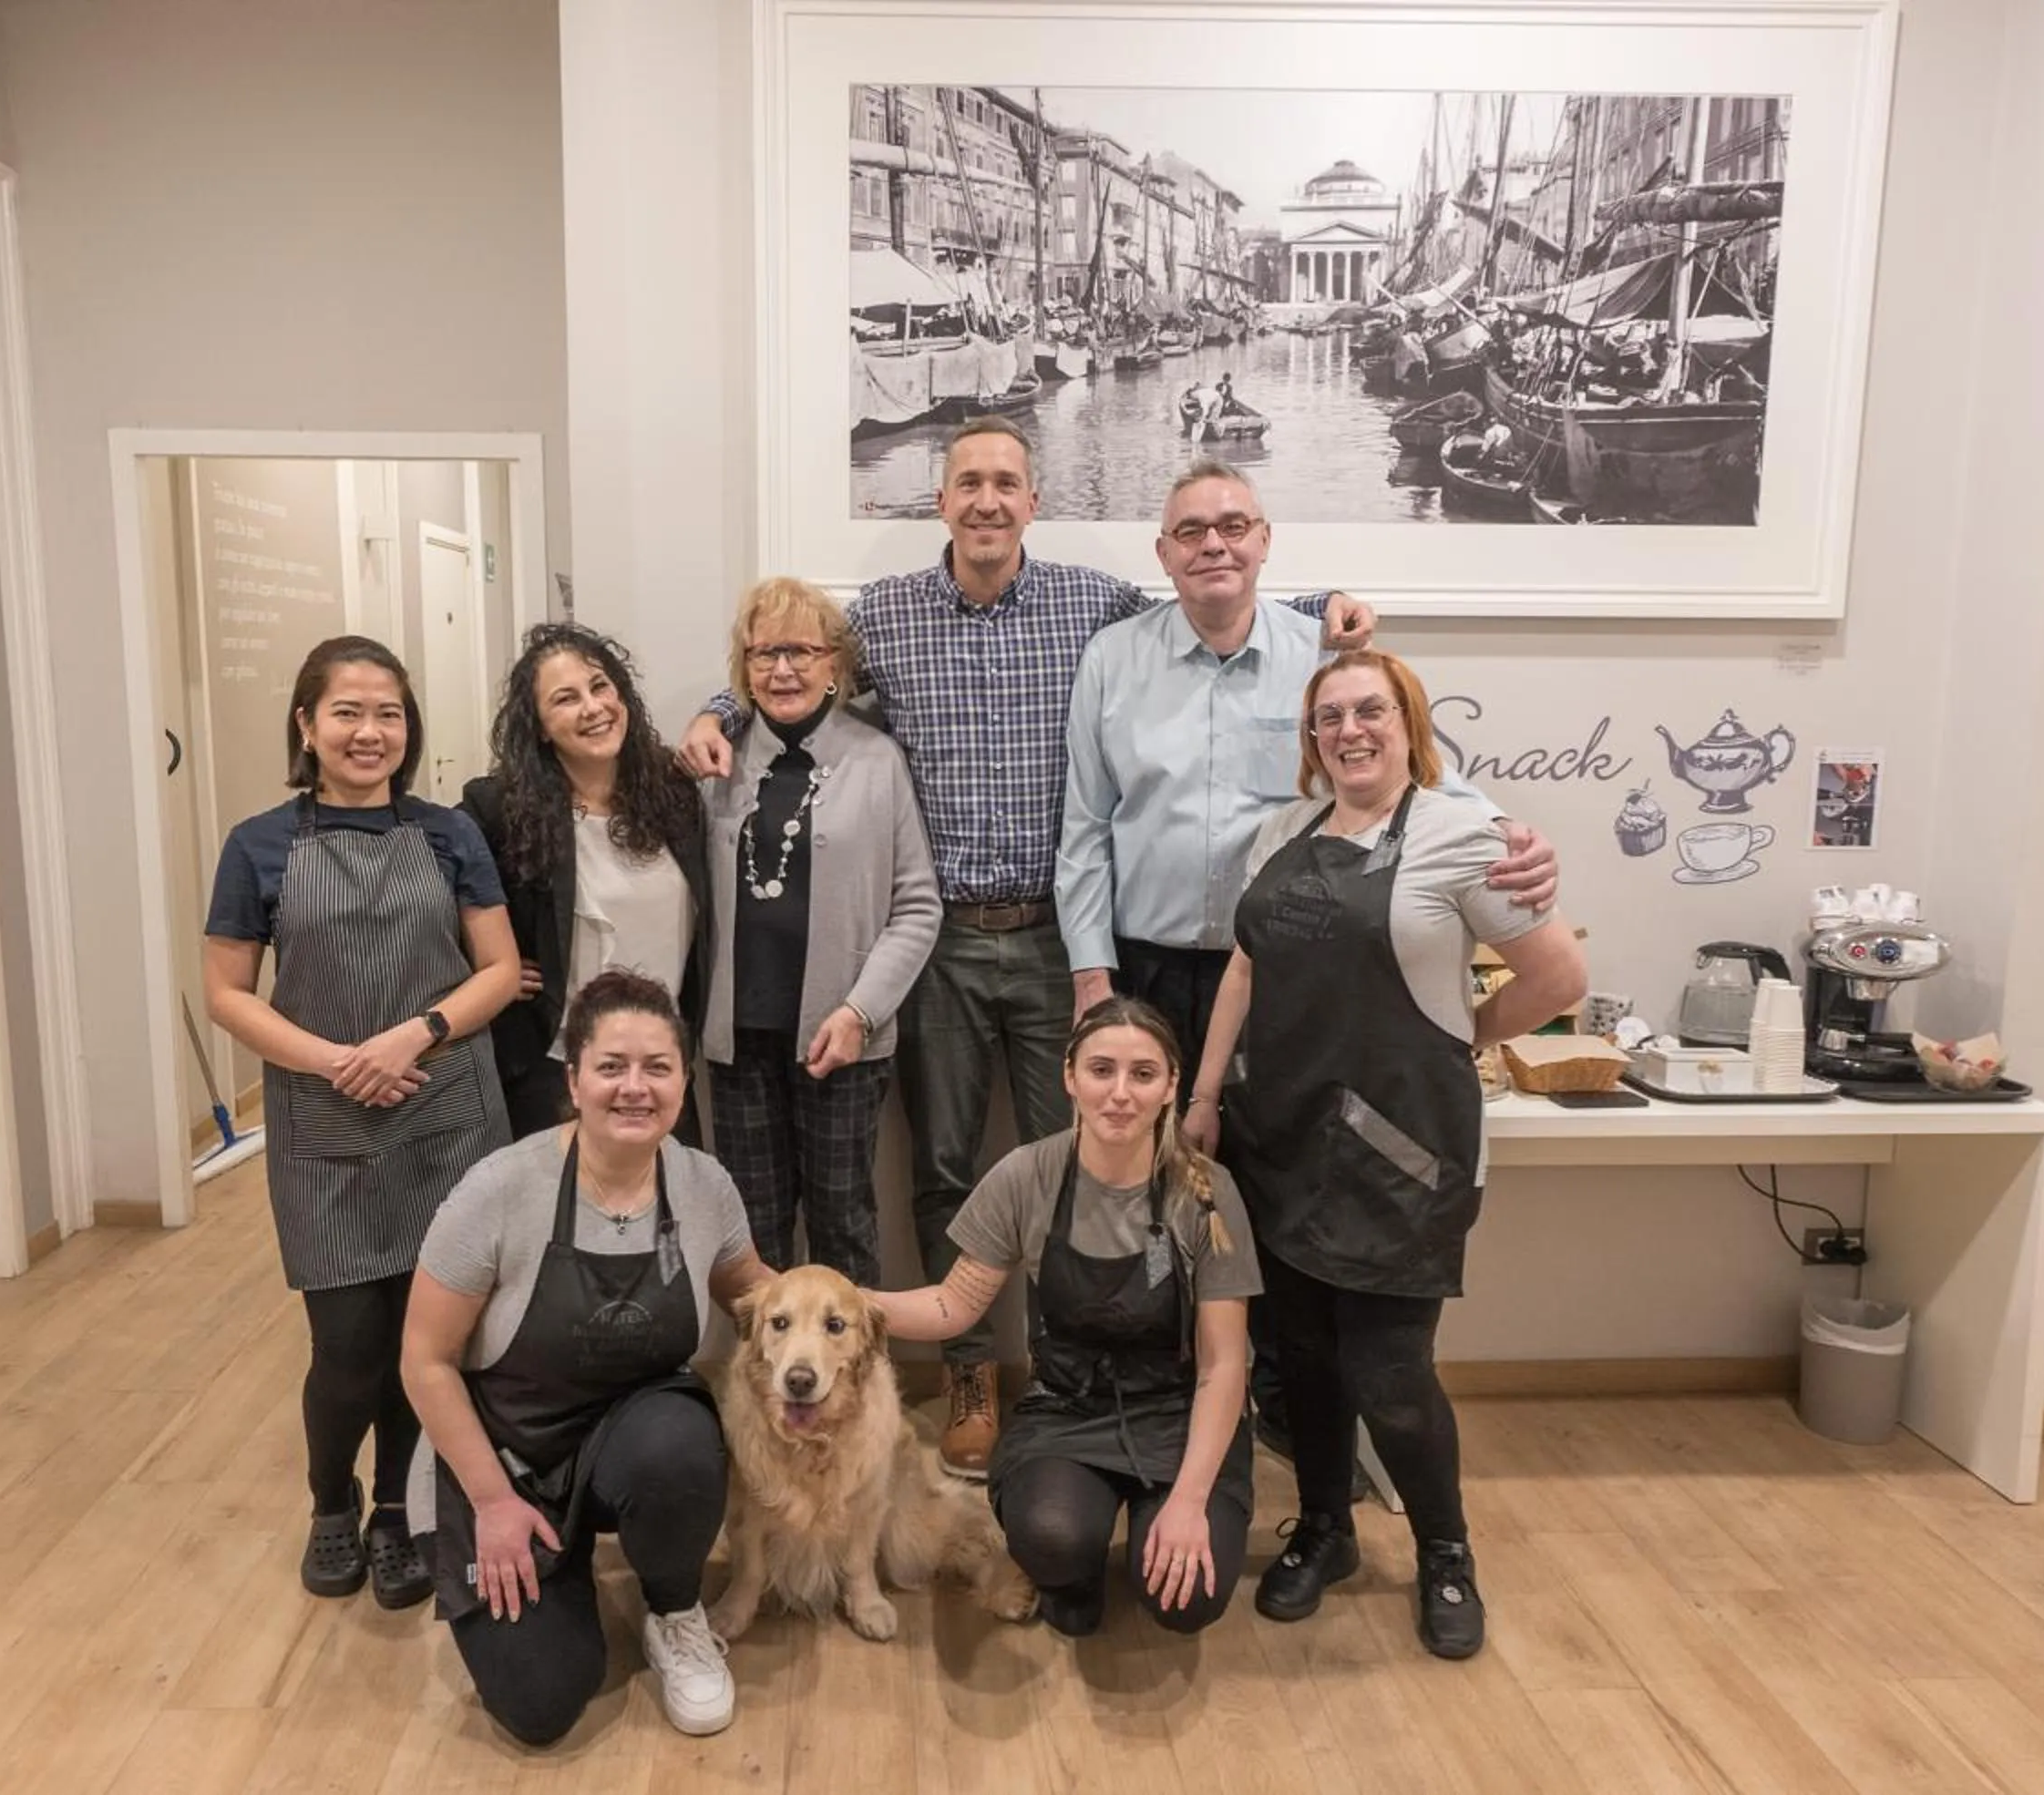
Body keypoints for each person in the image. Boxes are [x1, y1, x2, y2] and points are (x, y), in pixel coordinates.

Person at [675, 415, 1374, 1480]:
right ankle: (967, 1373)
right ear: (941, 501)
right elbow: (792, 669)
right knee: (950, 1169)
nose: (989, 500)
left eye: (1008, 482)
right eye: (969, 483)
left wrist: (1326, 605)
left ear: (1033, 502)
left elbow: (1221, 586)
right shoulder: (891, 619)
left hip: (1060, 939)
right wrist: (721, 703)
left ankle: (1071, 1372)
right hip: (940, 941)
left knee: (1091, 1167)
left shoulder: (1095, 607)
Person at [1058, 463, 1556, 1475]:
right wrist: (1093, 980)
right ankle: (1162, 1391)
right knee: (1146, 1183)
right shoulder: (1112, 658)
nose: (1213, 543)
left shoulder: (1321, 654)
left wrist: (1512, 837)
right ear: (1163, 554)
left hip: (1281, 975)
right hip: (1145, 973)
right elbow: (1085, 831)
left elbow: (1408, 763)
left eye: (1233, 524)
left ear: (1265, 541)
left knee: (1270, 1187)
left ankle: (1283, 1408)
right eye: (1191, 529)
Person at [1185, 650, 1586, 1659]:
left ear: (1409, 721)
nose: (1350, 729)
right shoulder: (1288, 831)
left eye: (1370, 710)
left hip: (1401, 1152)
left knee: (1390, 1370)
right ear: (1311, 740)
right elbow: (1245, 963)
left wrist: (1462, 1036)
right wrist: (1202, 1093)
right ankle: (1326, 1527)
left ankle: (1446, 1549)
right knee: (1307, 1360)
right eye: (1329, 717)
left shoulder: (1465, 832)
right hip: (1280, 1136)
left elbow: (1560, 973)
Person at [203, 635, 520, 1611]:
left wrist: (412, 1037)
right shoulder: (259, 844)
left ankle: (397, 1511)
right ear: (306, 724)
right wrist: (337, 1059)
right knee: (347, 1343)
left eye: (388, 712)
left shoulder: (449, 833)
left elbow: (499, 969)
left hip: (446, 1113)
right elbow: (224, 991)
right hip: (323, 1116)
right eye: (346, 711)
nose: (369, 731)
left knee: (426, 1340)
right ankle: (331, 1500)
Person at [400, 970, 774, 1746]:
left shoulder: (704, 1186)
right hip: (500, 1459)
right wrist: (495, 1503)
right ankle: (554, 1568)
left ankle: (673, 1609)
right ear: (572, 1078)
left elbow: (763, 1296)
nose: (634, 1088)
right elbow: (425, 1361)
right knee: (540, 1705)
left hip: (633, 1443)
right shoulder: (498, 1189)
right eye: (611, 1067)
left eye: (657, 1068)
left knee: (680, 1444)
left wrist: (877, 1314)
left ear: (682, 1080)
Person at [867, 999, 1258, 1640]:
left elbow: (1222, 1368)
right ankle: (1072, 1573)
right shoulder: (1027, 1176)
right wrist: (846, 1301)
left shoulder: (1207, 1192)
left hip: (1178, 1414)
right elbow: (952, 1304)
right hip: (1068, 1410)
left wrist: (1188, 1503)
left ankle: (1159, 1518)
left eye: (1143, 1074)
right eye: (1102, 1070)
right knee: (1052, 1541)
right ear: (1069, 1076)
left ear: (1170, 1088)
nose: (1120, 1094)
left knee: (1188, 1604)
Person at [702, 577, 940, 1287]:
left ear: (835, 662)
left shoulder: (877, 761)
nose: (782, 670)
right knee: (751, 1228)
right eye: (764, 653)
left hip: (842, 1038)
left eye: (802, 651)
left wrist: (860, 1013)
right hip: (737, 1040)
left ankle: (854, 1391)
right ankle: (767, 1395)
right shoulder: (715, 761)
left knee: (842, 1222)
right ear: (743, 667)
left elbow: (917, 905)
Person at [464, 623, 709, 1143]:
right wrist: (487, 963)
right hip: (558, 1073)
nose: (593, 708)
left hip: (662, 1065)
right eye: (566, 699)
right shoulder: (501, 813)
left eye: (600, 687)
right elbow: (431, 892)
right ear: (540, 727)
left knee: (667, 1215)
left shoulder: (675, 794)